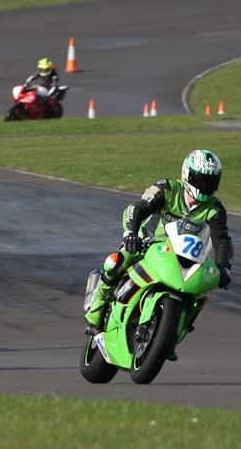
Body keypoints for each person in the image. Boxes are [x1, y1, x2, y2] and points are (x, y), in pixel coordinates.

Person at [84, 150, 233, 357]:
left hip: (186, 257)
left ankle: (171, 335)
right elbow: (137, 208)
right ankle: (95, 313)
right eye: (200, 179)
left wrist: (224, 265)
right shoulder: (167, 188)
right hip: (148, 244)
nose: (205, 186)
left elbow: (222, 239)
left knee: (201, 292)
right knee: (117, 262)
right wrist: (131, 234)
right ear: (187, 175)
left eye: (210, 181)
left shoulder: (215, 209)